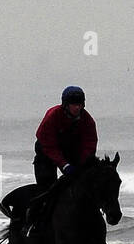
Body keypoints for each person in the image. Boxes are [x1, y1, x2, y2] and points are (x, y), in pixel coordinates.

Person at [24, 86, 98, 232]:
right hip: (46, 154)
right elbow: (48, 144)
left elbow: (90, 144)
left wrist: (83, 164)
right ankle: (33, 223)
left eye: (80, 104)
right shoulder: (53, 115)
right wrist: (64, 165)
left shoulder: (88, 120)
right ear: (65, 104)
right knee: (46, 187)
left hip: (71, 153)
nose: (77, 108)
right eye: (74, 104)